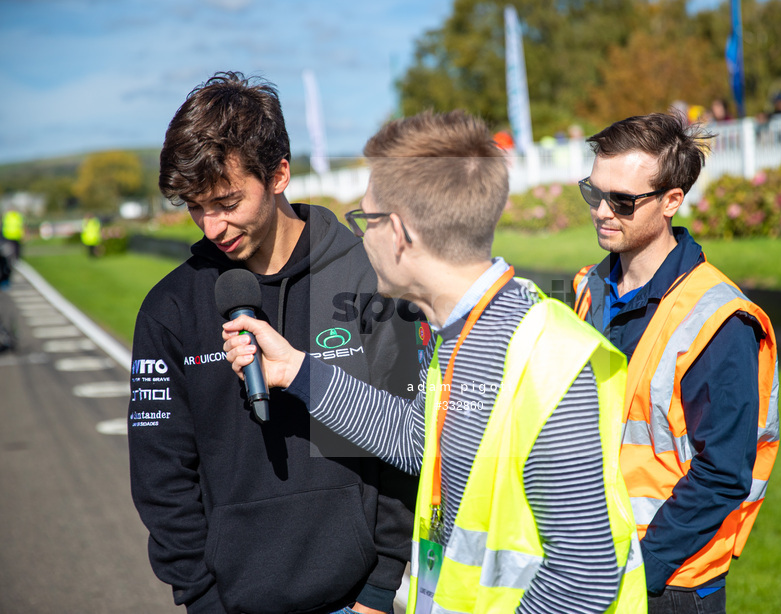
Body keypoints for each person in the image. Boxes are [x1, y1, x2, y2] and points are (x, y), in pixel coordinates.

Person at [222, 110, 647, 613]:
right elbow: (422, 442)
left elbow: (584, 577)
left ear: (399, 233)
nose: (361, 239)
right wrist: (296, 370)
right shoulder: (462, 335)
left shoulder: (549, 357)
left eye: (366, 220)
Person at [128, 72, 420, 614]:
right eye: (196, 206)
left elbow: (407, 445)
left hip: (356, 599)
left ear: (279, 173)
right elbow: (162, 476)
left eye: (227, 201)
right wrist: (202, 598)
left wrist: (380, 589)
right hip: (227, 603)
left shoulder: (373, 277)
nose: (212, 226)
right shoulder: (169, 309)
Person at [571, 112, 779, 613]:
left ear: (671, 201)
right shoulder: (587, 288)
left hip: (669, 584)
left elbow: (724, 472)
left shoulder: (720, 317)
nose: (601, 211)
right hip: (593, 566)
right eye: (592, 192)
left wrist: (641, 568)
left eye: (622, 201)